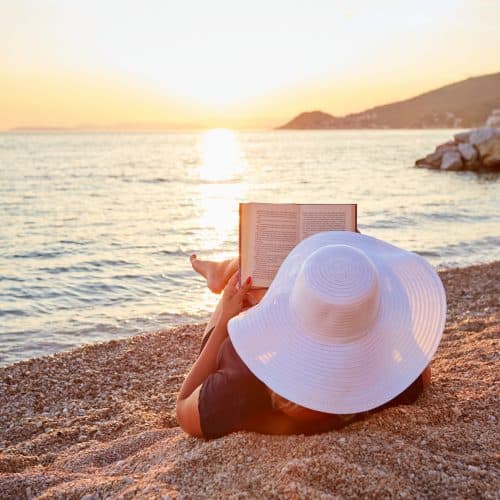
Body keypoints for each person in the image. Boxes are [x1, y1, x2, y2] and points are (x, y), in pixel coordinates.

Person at [176, 231, 446, 439]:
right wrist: (364, 282)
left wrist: (224, 319)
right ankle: (227, 269)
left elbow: (183, 405)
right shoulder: (385, 385)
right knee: (277, 285)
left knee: (245, 279)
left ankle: (223, 271)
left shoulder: (236, 385)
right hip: (336, 343)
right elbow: (422, 373)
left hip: (248, 357)